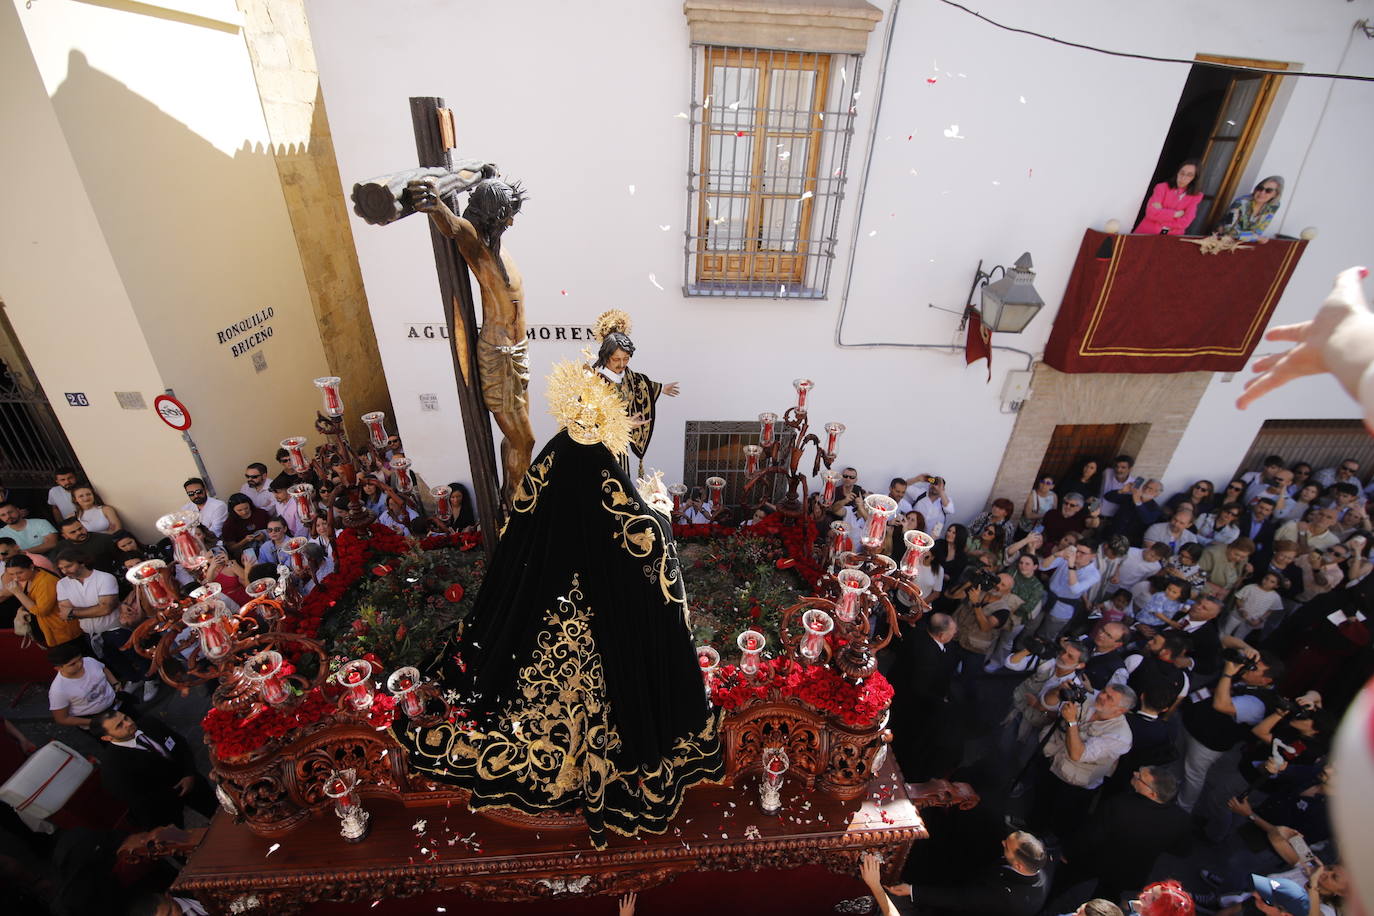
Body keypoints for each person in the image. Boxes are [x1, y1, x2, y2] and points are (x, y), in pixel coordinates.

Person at [397, 360, 721, 849]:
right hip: (605, 600)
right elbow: (634, 528)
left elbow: (524, 515)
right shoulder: (601, 465)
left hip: (544, 589)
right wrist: (656, 517)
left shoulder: (554, 452)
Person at [412, 174, 537, 497]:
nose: (510, 221)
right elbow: (453, 227)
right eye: (506, 214)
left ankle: (512, 499)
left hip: (518, 352)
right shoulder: (477, 242)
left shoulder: (496, 243)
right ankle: (515, 502)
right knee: (526, 440)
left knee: (515, 439)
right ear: (490, 215)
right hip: (499, 356)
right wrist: (436, 206)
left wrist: (486, 173)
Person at [1057, 765, 1190, 903]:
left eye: (1140, 778)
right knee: (1104, 901)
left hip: (1096, 859)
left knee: (1062, 882)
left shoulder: (1120, 805)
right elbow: (1182, 850)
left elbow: (1091, 835)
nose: (1134, 773)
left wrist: (1069, 852)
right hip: (1128, 872)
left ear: (1152, 794)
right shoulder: (1181, 819)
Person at [1177, 649, 1285, 811]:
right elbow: (1226, 640)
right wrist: (1248, 650)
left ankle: (1183, 808)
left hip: (1208, 742)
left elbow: (1222, 705)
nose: (1248, 668)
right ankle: (1167, 786)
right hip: (1192, 724)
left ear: (1266, 680)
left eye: (1255, 669)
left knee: (1193, 775)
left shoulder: (1258, 703)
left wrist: (1227, 675)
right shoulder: (1245, 679)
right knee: (1177, 761)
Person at [1028, 682, 1136, 839]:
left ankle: (1052, 842)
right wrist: (1058, 691)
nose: (1101, 696)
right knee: (1040, 799)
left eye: (1109, 698)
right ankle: (1032, 828)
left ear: (1120, 711)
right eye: (1104, 691)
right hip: (1052, 762)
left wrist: (1072, 722)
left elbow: (1077, 754)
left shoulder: (1120, 737)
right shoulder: (1088, 699)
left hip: (1074, 783)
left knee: (1063, 819)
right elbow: (1047, 704)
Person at [88, 709, 217, 830]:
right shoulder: (113, 766)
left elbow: (180, 743)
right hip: (162, 809)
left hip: (192, 783)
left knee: (218, 813)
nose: (128, 723)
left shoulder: (149, 723)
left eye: (125, 718)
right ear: (107, 738)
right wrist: (171, 795)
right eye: (119, 726)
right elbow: (136, 798)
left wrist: (189, 774)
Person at [878, 831, 1049, 916]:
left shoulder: (1005, 897)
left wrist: (913, 890)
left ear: (1019, 865)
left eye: (1007, 848)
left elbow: (961, 899)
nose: (1002, 842)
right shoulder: (1036, 863)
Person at [889, 613, 961, 784]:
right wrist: (941, 702)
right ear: (942, 636)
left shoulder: (919, 634)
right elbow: (921, 689)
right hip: (913, 705)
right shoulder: (928, 658)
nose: (954, 635)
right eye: (953, 633)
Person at [0, 554, 80, 648]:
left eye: (20, 572)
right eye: (11, 574)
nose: (16, 577)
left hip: (62, 632)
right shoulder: (28, 577)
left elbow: (41, 611)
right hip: (49, 630)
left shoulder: (46, 581)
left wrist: (18, 593)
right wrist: (21, 609)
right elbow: (32, 600)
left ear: (31, 567)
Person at [1036, 542, 1101, 641]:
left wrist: (1071, 566)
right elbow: (1042, 566)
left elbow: (1075, 589)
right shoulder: (1067, 557)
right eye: (1077, 550)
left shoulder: (1094, 574)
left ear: (1093, 556)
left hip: (1062, 609)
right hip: (1044, 597)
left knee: (1045, 637)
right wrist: (1056, 555)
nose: (1078, 554)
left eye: (1082, 553)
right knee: (1029, 627)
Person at [48, 642, 119, 730]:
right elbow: (62, 719)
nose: (80, 664)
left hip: (117, 705)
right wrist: (95, 722)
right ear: (58, 668)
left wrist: (115, 683)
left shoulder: (89, 661)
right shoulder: (58, 690)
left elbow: (103, 669)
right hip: (95, 720)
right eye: (73, 664)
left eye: (80, 659)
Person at [1135, 160, 1203, 235]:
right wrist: (1175, 214)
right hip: (1147, 233)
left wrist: (1161, 214)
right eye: (1182, 173)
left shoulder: (1195, 196)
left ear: (1195, 178)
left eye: (1189, 175)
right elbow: (1150, 213)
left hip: (1171, 238)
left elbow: (1185, 222)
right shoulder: (1162, 187)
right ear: (1177, 173)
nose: (1183, 177)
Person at [1214, 176, 1284, 242]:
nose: (1262, 192)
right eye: (1260, 188)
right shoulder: (1240, 203)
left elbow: (1259, 230)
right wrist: (1255, 237)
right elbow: (1228, 231)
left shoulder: (1274, 206)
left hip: (1245, 242)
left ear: (1275, 194)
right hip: (1222, 240)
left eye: (1268, 191)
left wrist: (1252, 237)